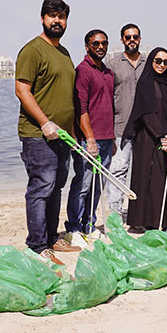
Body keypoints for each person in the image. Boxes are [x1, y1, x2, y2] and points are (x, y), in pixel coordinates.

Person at [15, 0, 81, 265]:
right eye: (52, 16)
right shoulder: (32, 50)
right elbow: (22, 89)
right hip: (38, 135)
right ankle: (37, 245)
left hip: (63, 136)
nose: (57, 21)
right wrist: (44, 122)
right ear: (42, 19)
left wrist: (72, 132)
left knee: (56, 189)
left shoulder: (64, 53)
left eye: (62, 16)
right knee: (40, 189)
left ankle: (52, 238)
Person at [123, 47, 167, 231]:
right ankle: (144, 221)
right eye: (158, 61)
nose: (161, 65)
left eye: (165, 62)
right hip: (148, 138)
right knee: (147, 178)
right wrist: (161, 136)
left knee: (166, 176)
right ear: (151, 62)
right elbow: (146, 113)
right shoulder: (145, 83)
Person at [65, 29, 115, 237]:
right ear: (87, 46)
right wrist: (90, 139)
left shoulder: (109, 73)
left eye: (104, 43)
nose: (100, 47)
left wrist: (111, 139)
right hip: (89, 140)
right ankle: (74, 227)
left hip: (107, 138)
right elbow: (81, 108)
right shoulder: (83, 71)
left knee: (97, 186)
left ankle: (89, 224)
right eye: (95, 44)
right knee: (83, 184)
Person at [106, 24, 146, 219]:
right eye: (128, 37)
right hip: (120, 128)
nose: (132, 40)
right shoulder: (112, 65)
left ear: (140, 39)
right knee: (118, 171)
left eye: (135, 36)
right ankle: (115, 214)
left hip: (146, 131)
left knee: (145, 171)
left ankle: (143, 213)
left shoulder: (150, 63)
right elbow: (106, 100)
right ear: (122, 39)